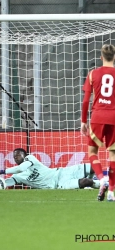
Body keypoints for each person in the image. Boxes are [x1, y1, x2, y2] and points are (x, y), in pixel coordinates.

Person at [81, 44, 115, 202]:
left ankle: (102, 180)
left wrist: (83, 121)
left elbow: (86, 100)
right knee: (113, 154)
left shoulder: (93, 74)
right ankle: (111, 192)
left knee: (93, 153)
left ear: (101, 57)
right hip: (114, 117)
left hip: (97, 117)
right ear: (114, 57)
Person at [0, 148, 101, 190]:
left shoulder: (31, 159)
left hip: (61, 172)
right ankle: (98, 185)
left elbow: (20, 168)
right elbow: (4, 184)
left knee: (93, 167)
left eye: (18, 154)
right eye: (14, 156)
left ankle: (98, 184)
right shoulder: (18, 177)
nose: (16, 157)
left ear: (24, 155)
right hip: (58, 184)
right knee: (86, 182)